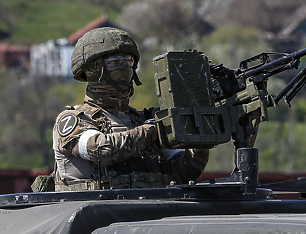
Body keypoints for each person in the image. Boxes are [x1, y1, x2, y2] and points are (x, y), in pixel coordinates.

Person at [51, 27, 209, 191]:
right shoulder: (74, 120)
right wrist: (153, 129)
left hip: (152, 212)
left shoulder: (141, 119)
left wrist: (198, 140)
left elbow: (184, 172)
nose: (124, 66)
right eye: (115, 61)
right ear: (93, 69)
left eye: (128, 61)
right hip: (96, 213)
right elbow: (102, 149)